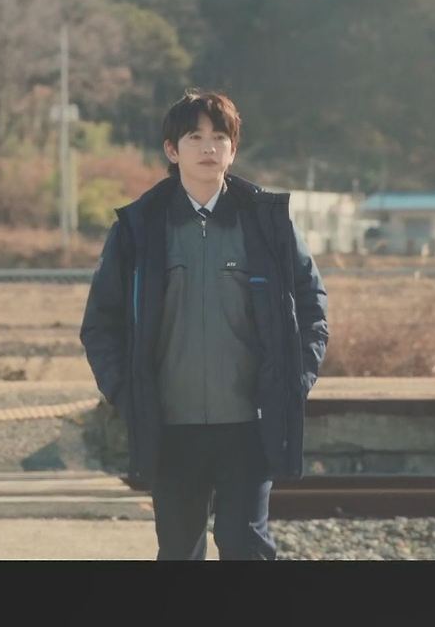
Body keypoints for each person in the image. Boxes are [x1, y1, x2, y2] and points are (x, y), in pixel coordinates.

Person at [80, 90, 329, 560]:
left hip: (250, 423)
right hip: (171, 426)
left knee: (245, 545)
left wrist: (295, 380)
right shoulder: (139, 228)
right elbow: (100, 323)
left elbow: (312, 306)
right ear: (172, 150)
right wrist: (127, 393)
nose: (208, 147)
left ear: (233, 149)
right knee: (179, 552)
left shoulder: (267, 223)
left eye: (220, 137)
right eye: (194, 137)